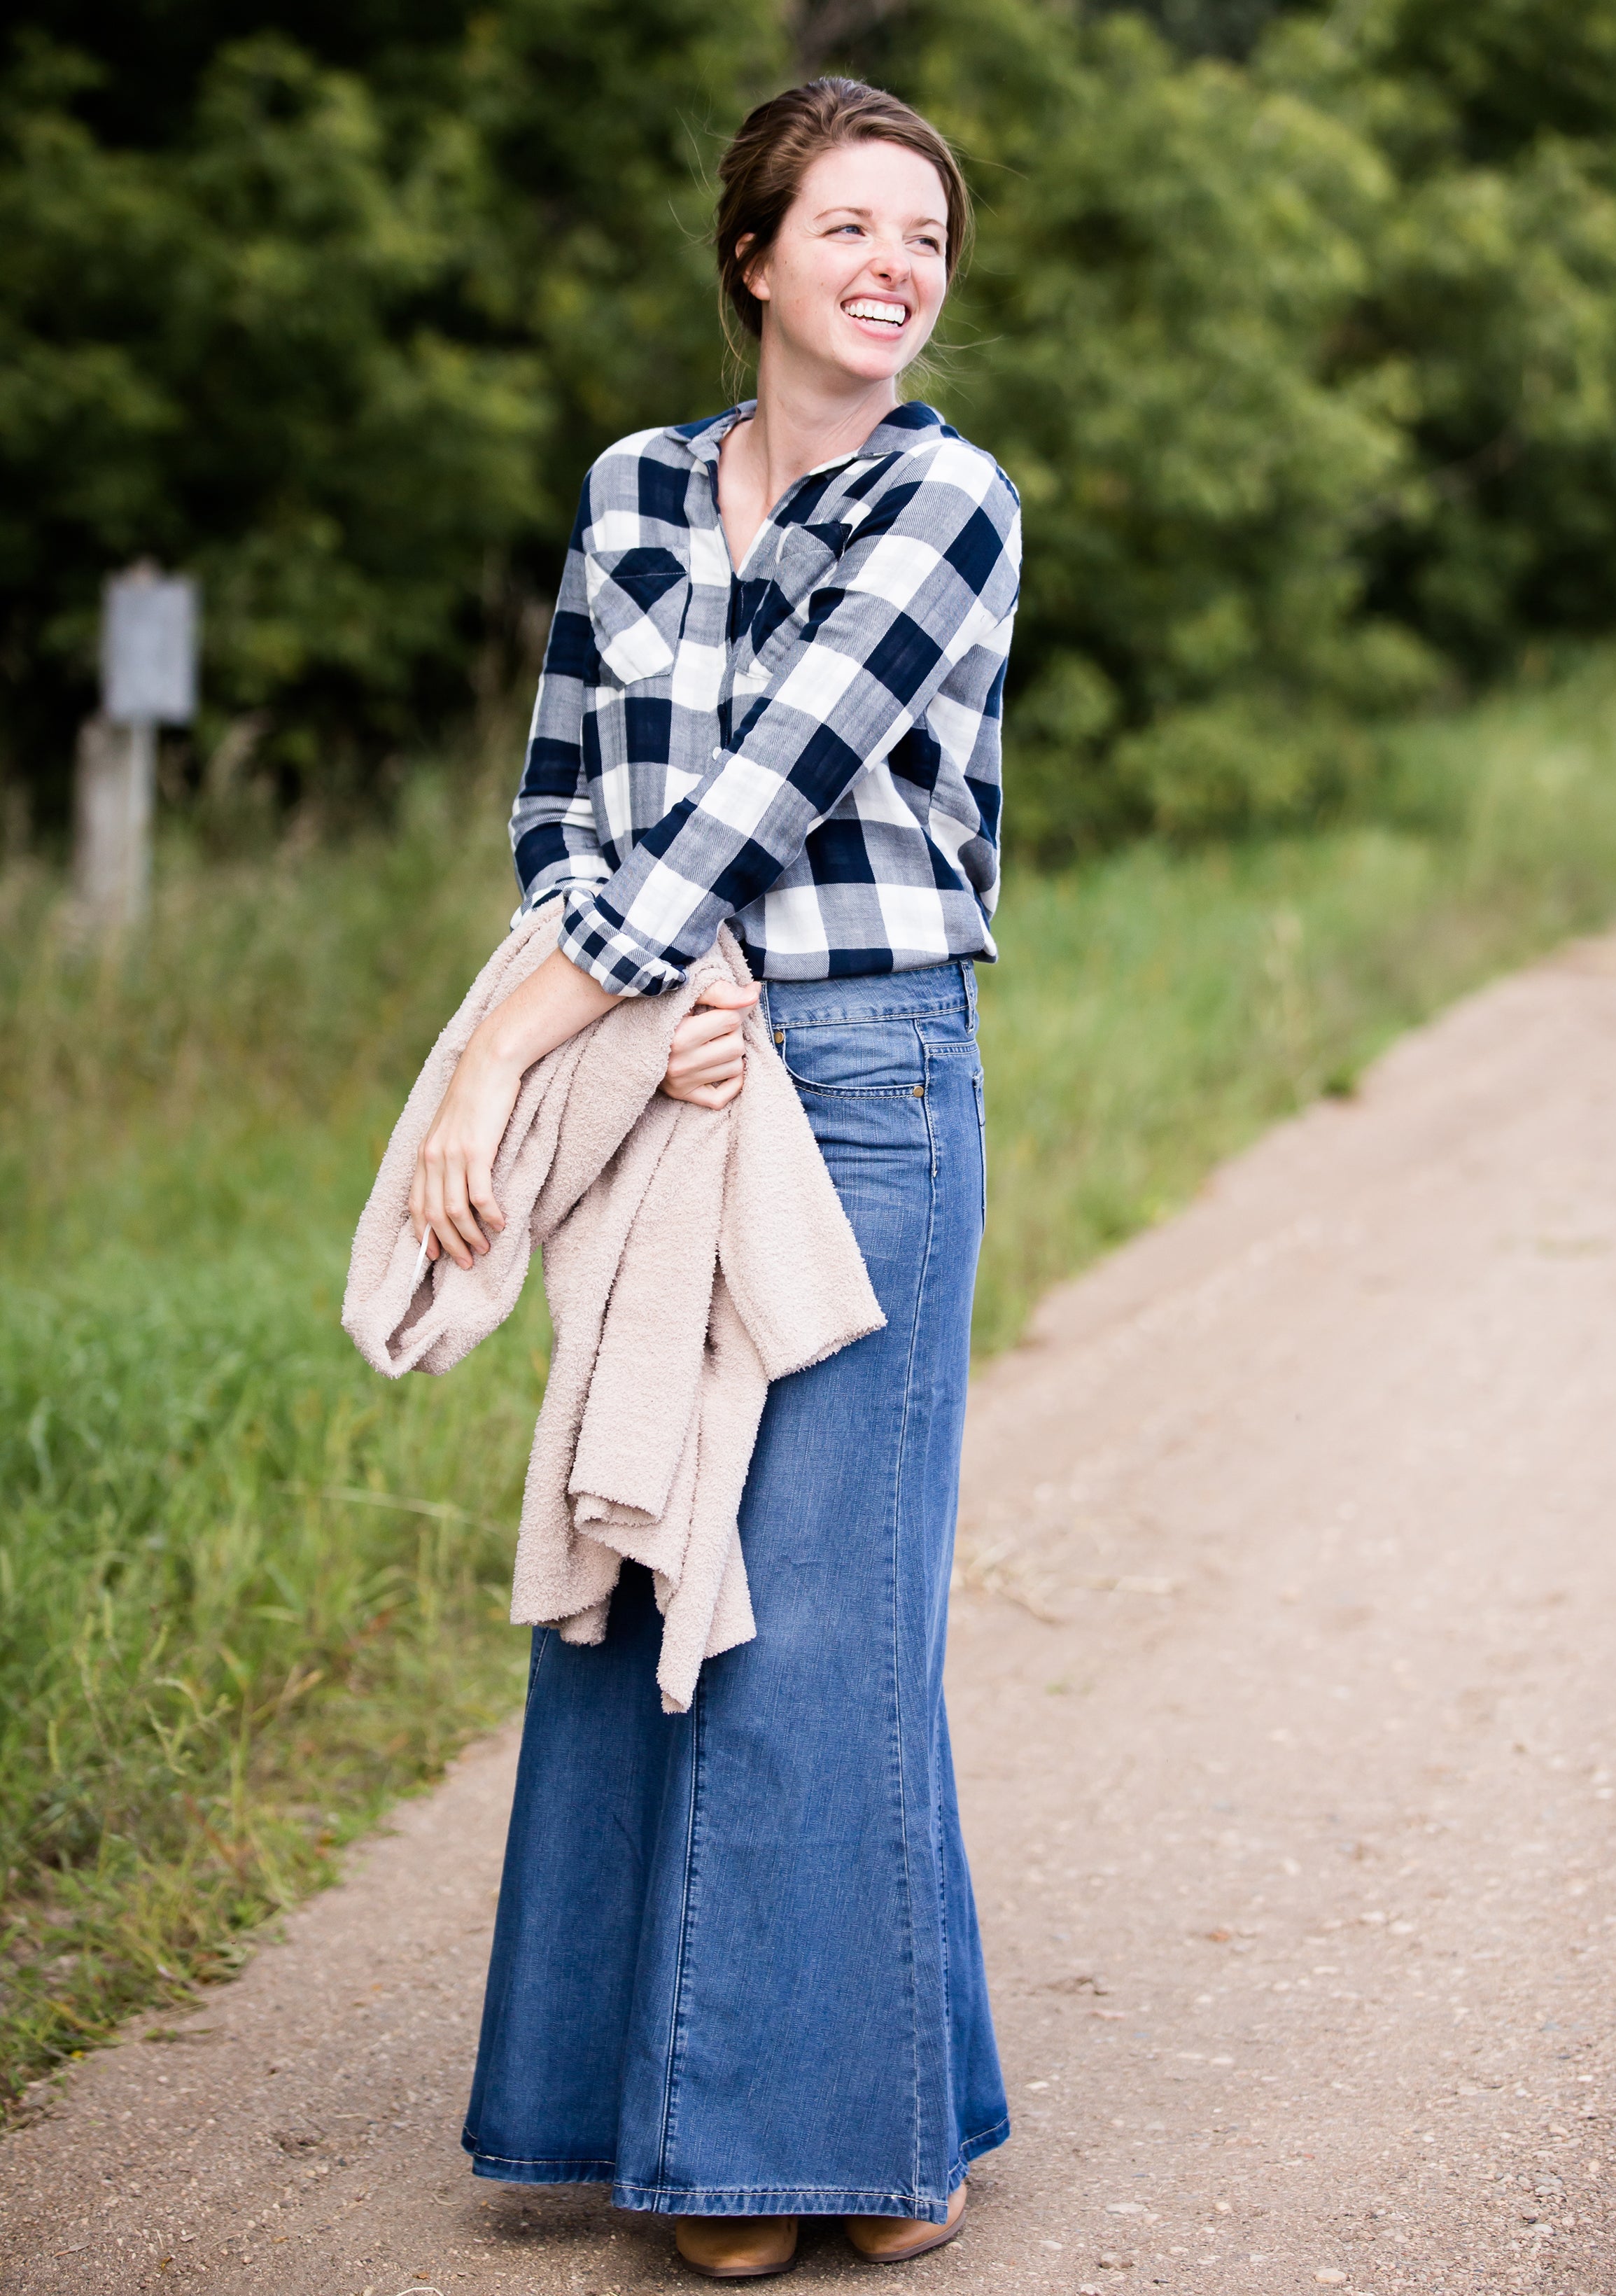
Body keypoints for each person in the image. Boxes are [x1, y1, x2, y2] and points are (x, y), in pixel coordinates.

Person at [409, 76, 1022, 2281]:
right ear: (755, 255)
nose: (894, 264)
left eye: (926, 238)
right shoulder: (637, 490)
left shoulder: (950, 502)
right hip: (666, 1060)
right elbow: (565, 801)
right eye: (850, 224)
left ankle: (794, 2146)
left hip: (863, 1084)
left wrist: (501, 1048)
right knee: (652, 1564)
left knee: (822, 1615)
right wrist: (627, 1014)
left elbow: (751, 799)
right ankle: (825, 2102)